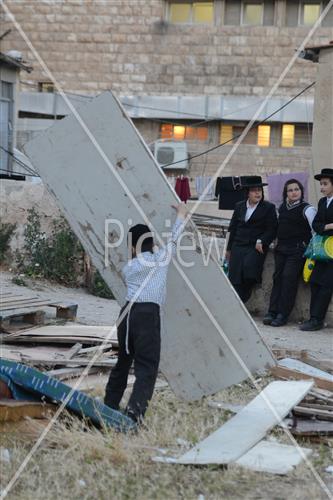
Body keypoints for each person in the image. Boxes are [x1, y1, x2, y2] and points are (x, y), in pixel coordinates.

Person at [104, 203, 187, 423]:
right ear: (152, 244)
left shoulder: (129, 267)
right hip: (147, 316)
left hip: (127, 315)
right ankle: (134, 414)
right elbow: (174, 239)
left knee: (123, 361)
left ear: (132, 248)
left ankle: (109, 405)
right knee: (147, 367)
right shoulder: (160, 259)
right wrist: (181, 214)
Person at [263, 179, 316, 327]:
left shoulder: (307, 209)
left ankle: (282, 314)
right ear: (286, 193)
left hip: (297, 250)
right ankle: (272, 312)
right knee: (277, 278)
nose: (294, 192)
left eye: (296, 189)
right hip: (281, 249)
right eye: (290, 190)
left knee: (288, 279)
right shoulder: (282, 208)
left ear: (301, 191)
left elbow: (315, 229)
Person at [226, 176, 278, 303]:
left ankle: (242, 298)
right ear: (247, 193)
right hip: (238, 245)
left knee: (249, 273)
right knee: (235, 276)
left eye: (259, 190)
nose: (257, 193)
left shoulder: (268, 207)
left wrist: (262, 241)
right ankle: (238, 303)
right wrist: (228, 249)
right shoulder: (239, 206)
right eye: (254, 190)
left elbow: (272, 229)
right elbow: (233, 228)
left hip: (254, 246)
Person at [300, 168, 333, 331]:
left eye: (325, 184)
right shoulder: (322, 202)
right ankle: (312, 318)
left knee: (327, 284)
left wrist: (323, 227)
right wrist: (328, 226)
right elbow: (316, 225)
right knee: (315, 282)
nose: (322, 187)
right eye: (321, 184)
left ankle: (317, 320)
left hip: (332, 252)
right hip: (321, 249)